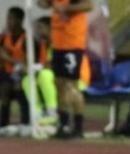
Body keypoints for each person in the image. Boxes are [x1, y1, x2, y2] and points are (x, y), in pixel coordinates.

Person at [38, 0, 94, 139]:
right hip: (58, 43)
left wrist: (66, 8)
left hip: (72, 42)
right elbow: (43, 4)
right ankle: (63, 125)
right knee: (59, 84)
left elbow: (89, 5)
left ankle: (78, 127)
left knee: (71, 85)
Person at [0, 6, 31, 129]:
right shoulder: (3, 37)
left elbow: (26, 62)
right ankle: (3, 124)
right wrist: (1, 54)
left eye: (11, 18)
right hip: (6, 73)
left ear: (19, 20)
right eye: (7, 18)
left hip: (23, 74)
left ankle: (26, 122)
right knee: (3, 87)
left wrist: (7, 57)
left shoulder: (27, 38)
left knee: (18, 86)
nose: (8, 21)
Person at [21, 17, 59, 126]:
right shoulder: (42, 45)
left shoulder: (58, 43)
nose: (37, 31)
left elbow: (53, 65)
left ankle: (53, 113)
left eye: (40, 28)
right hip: (53, 76)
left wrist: (36, 67)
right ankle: (38, 114)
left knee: (44, 75)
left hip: (70, 78)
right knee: (27, 80)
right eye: (36, 28)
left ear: (50, 28)